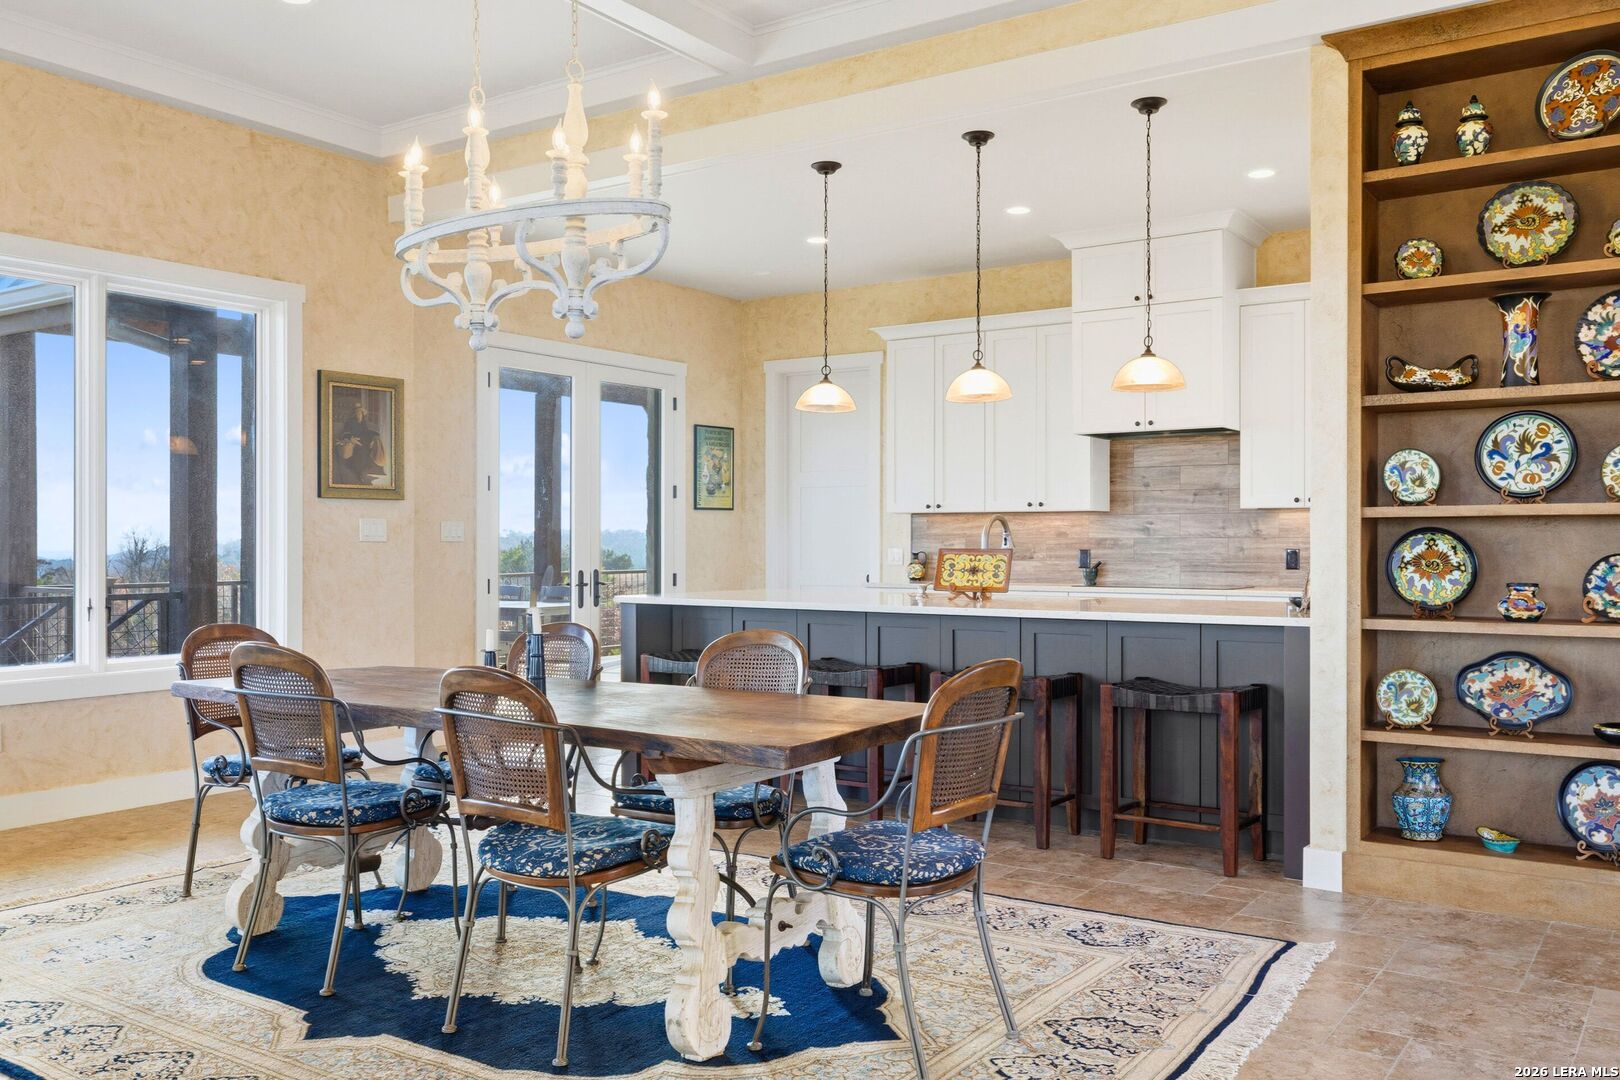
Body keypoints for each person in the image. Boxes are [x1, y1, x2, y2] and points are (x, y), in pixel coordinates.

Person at [333, 395, 388, 486]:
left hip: (363, 442)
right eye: (358, 413)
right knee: (358, 454)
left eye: (361, 413)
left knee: (366, 450)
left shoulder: (363, 422)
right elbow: (346, 431)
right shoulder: (350, 421)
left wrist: (375, 435)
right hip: (354, 442)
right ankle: (358, 474)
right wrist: (350, 438)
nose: (360, 415)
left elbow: (366, 431)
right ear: (355, 414)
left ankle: (363, 472)